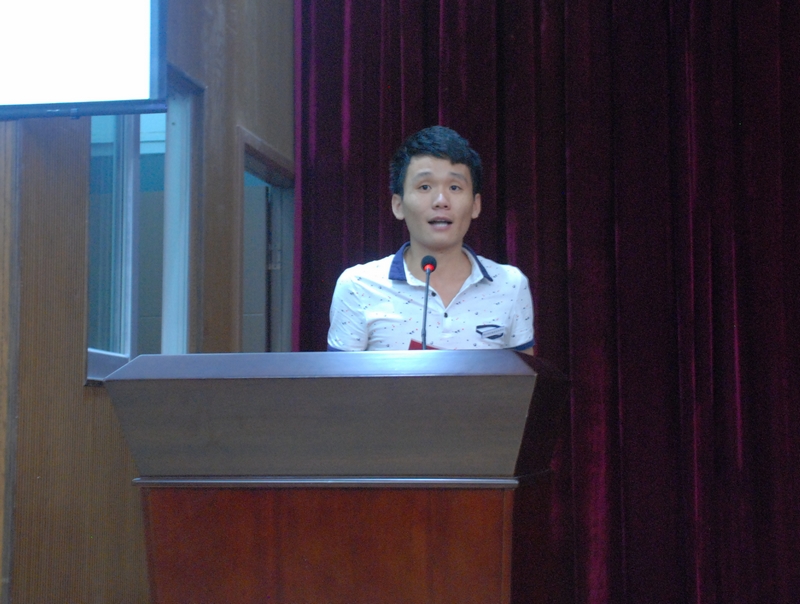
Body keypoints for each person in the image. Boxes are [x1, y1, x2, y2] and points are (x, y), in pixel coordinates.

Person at [327, 126, 535, 354]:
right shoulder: (358, 286)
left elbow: (523, 376)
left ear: (476, 205)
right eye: (425, 187)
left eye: (455, 187)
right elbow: (341, 378)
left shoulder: (510, 284)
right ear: (398, 205)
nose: (441, 201)